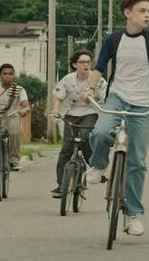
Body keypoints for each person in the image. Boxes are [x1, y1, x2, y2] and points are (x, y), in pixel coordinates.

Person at [81, 0, 149, 237]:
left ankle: (133, 215)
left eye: (148, 11)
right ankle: (99, 165)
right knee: (99, 132)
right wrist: (90, 88)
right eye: (142, 10)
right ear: (127, 13)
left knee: (137, 162)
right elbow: (99, 67)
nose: (147, 15)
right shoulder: (114, 39)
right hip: (117, 96)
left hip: (143, 104)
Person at [47, 48, 108, 198]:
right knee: (67, 147)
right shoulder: (68, 79)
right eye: (82, 62)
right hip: (71, 113)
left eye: (88, 62)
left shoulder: (98, 80)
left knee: (86, 138)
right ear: (75, 64)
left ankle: (95, 170)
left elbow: (105, 98)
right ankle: (62, 184)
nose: (86, 65)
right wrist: (55, 110)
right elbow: (59, 97)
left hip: (90, 112)